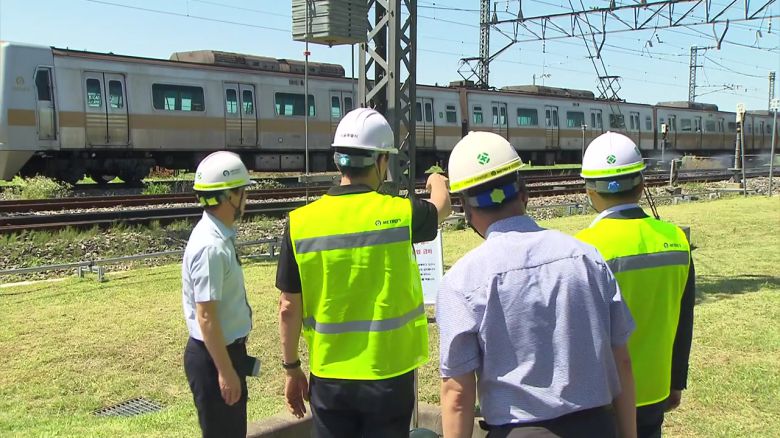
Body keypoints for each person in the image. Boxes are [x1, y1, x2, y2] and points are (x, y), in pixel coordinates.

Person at [437, 131, 637, 438]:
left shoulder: (462, 281)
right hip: (596, 427)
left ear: (466, 208)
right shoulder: (587, 257)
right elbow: (621, 362)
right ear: (524, 193)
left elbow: (457, 394)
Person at [276, 107, 451, 437]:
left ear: (337, 160)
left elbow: (288, 307)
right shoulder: (400, 214)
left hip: (330, 375)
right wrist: (437, 182)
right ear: (381, 161)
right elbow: (442, 207)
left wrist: (292, 367)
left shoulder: (300, 223)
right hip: (388, 373)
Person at [576, 132, 695, 438]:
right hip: (656, 390)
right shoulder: (676, 240)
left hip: (601, 397)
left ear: (589, 191)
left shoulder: (581, 249)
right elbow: (684, 320)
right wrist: (676, 382)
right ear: (642, 185)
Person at [181, 151, 259, 438]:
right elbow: (206, 317)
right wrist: (225, 372)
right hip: (215, 358)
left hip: (223, 354)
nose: (246, 199)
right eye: (243, 192)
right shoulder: (210, 247)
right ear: (229, 197)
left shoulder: (218, 236)